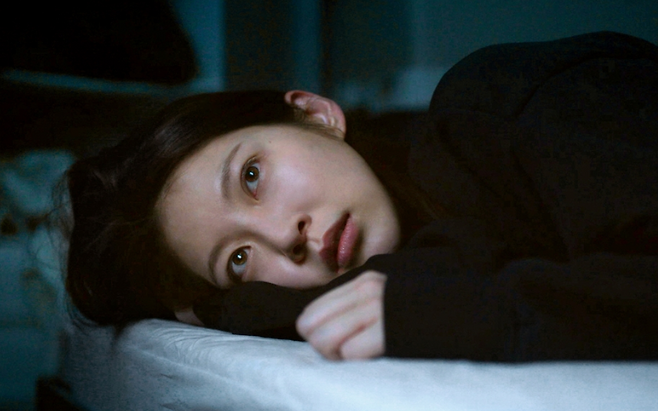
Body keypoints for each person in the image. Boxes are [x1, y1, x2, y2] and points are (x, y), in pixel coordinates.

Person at [66, 31, 658, 361]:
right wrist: (218, 311)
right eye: (239, 259)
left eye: (251, 176)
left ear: (315, 114)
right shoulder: (432, 250)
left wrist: (461, 316)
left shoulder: (505, 102)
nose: (284, 237)